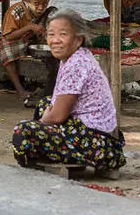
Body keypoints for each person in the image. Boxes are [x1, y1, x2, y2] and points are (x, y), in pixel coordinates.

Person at [11, 10, 126, 175]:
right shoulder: (76, 57)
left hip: (95, 142)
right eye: (51, 35)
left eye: (63, 34)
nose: (55, 40)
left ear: (78, 40)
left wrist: (42, 122)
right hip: (92, 132)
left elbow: (58, 116)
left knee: (22, 132)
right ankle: (62, 157)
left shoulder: (76, 64)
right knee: (45, 103)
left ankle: (64, 159)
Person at [0, 0, 55, 99]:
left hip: (32, 40)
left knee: (54, 11)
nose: (40, 8)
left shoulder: (44, 12)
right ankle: (20, 89)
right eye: (36, 4)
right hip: (15, 40)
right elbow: (8, 36)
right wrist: (29, 27)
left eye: (44, 4)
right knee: (6, 52)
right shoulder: (16, 11)